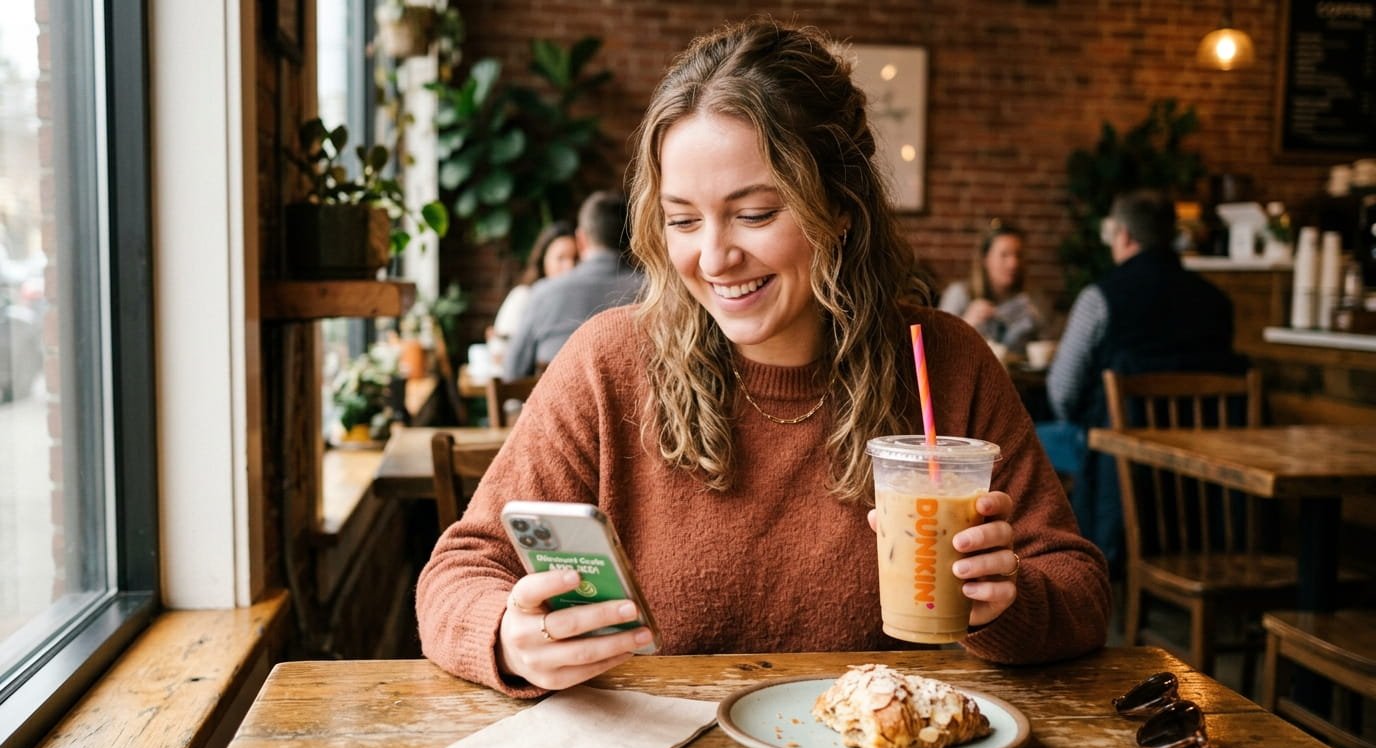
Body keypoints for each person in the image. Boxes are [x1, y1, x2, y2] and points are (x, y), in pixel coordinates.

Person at [418, 18, 1110, 697]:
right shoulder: (611, 361)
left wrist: (1007, 602)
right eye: (683, 219)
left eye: (754, 214)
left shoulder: (943, 360)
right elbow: (458, 571)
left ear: (838, 207)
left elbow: (1079, 589)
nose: (713, 258)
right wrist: (507, 635)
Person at [1044, 188, 1242, 573]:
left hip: (1117, 470)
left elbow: (1062, 388)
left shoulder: (1100, 297)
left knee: (1024, 442)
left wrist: (1082, 419)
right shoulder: (1217, 302)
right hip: (1202, 474)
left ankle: (1057, 570)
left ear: (1123, 236)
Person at [501, 190, 642, 380]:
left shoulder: (544, 294)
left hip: (558, 407)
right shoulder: (655, 292)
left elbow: (512, 373)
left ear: (581, 240)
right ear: (631, 238)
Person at [938, 221, 1048, 356]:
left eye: (1018, 255)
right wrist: (967, 323)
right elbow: (939, 350)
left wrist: (1039, 321)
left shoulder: (1031, 299)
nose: (1013, 264)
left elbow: (1048, 348)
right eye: (1004, 255)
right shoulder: (959, 294)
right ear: (985, 259)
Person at [490, 220, 578, 345]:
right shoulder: (524, 296)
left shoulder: (579, 300)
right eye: (561, 258)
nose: (570, 266)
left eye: (575, 258)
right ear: (543, 260)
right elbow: (500, 346)